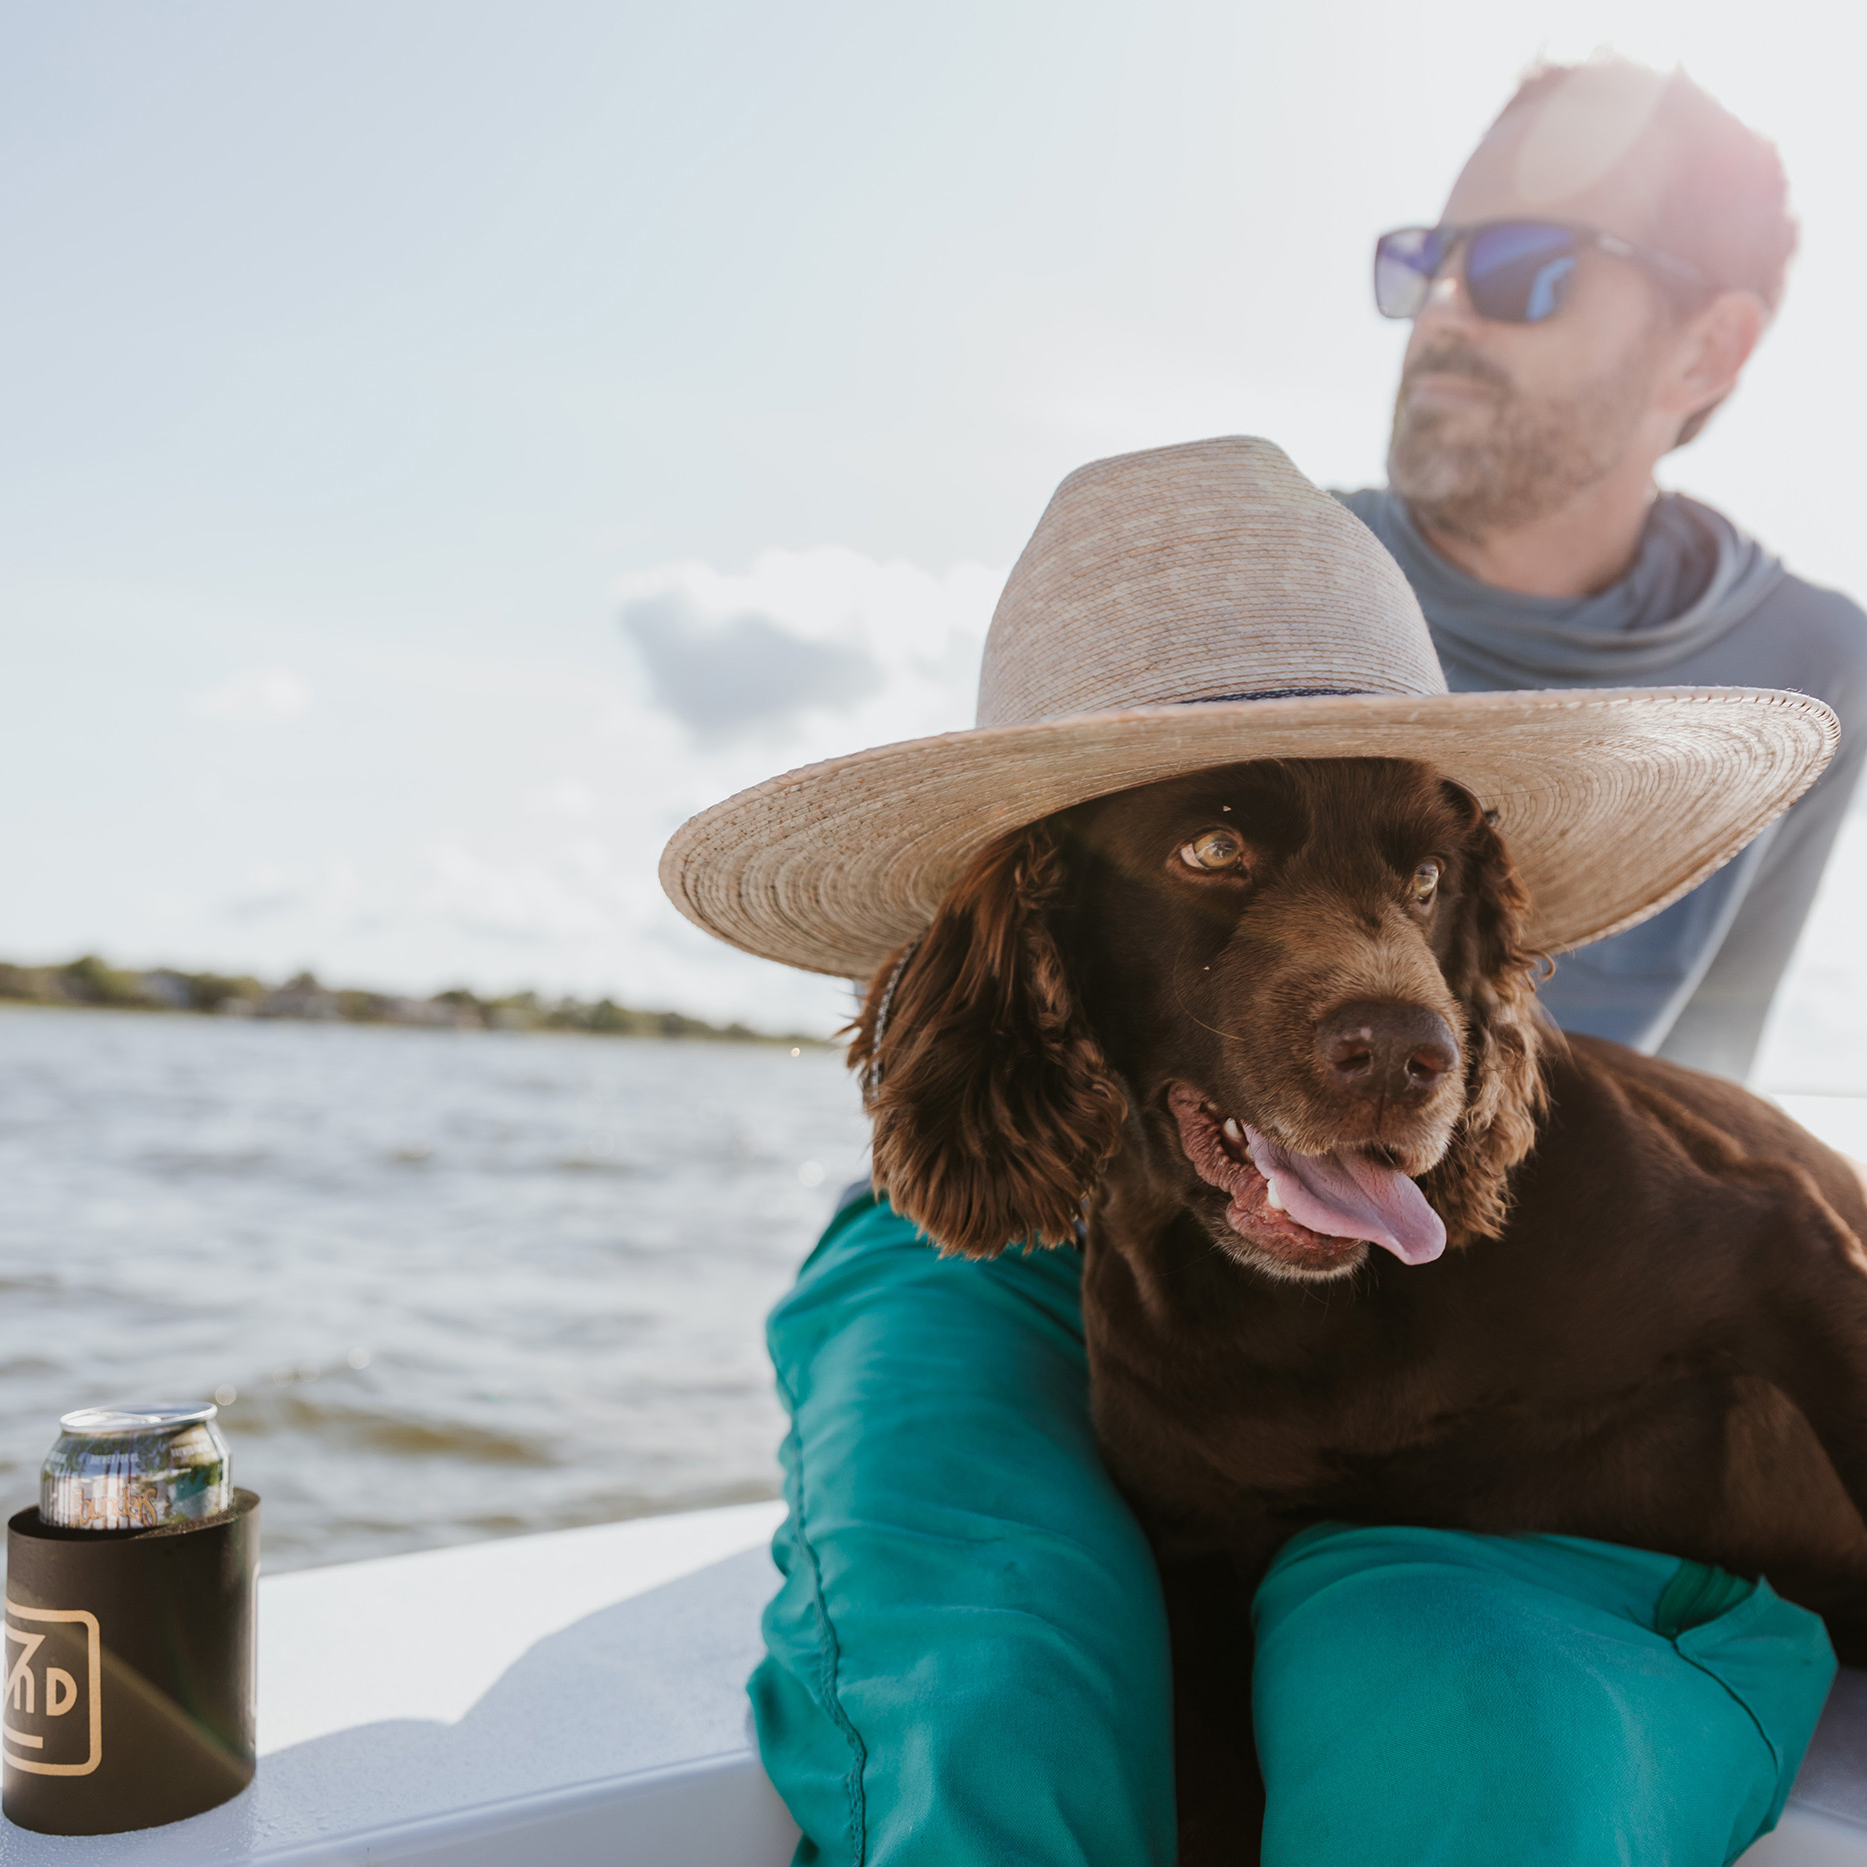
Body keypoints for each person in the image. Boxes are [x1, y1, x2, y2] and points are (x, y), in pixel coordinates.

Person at [739, 58, 1867, 1867]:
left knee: (1455, 1719)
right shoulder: (1241, 566)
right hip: (1002, 1194)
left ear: (1710, 347)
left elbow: (1708, 1098)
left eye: (1530, 266)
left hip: (1465, 1224)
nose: (1447, 312)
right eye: (1427, 256)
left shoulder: (1820, 656)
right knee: (990, 1677)